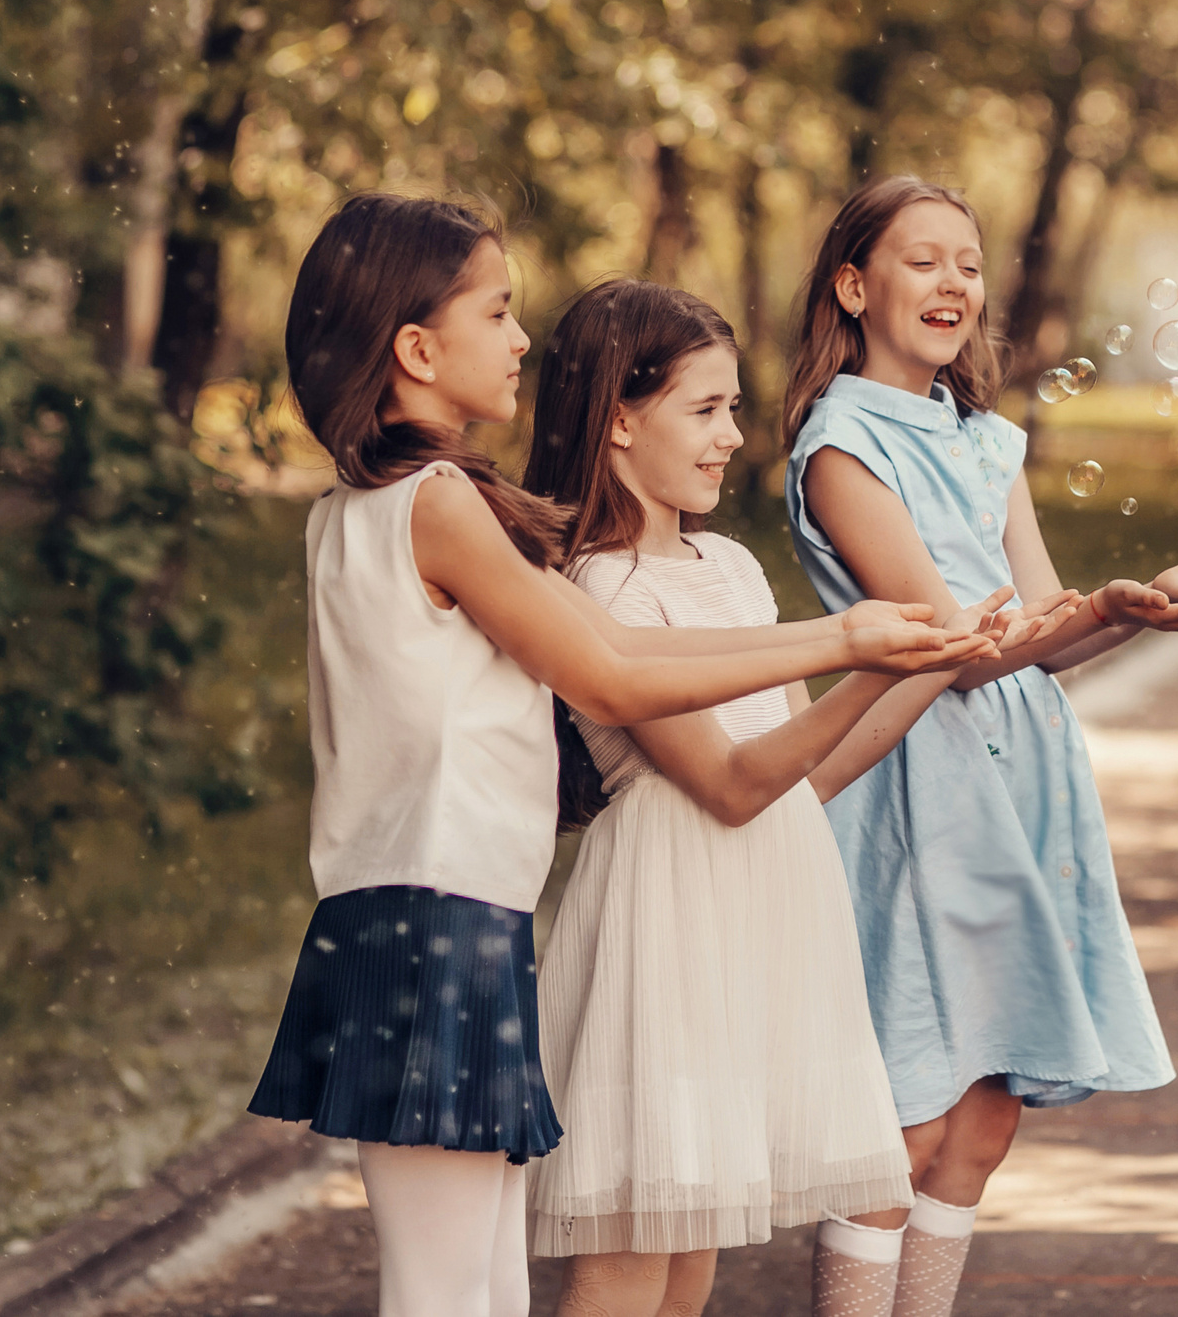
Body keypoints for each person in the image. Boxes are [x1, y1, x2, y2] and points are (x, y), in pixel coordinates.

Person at [247, 195, 999, 1317]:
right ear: (413, 346)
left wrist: (867, 644)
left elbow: (634, 645)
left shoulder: (381, 504)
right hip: (434, 921)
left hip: (433, 915)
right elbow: (611, 677)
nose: (517, 339)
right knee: (453, 1292)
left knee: (476, 1286)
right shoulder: (439, 502)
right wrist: (843, 635)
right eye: (495, 312)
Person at [518, 280, 1076, 1317]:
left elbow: (801, 772)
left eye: (734, 407)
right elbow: (731, 783)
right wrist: (871, 654)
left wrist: (935, 658)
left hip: (754, 909)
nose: (732, 435)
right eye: (705, 409)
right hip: (669, 920)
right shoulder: (598, 588)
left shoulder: (724, 565)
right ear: (618, 417)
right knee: (637, 1253)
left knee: (692, 1260)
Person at [782, 175, 1178, 1316]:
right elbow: (949, 650)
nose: (953, 281)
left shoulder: (986, 439)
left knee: (986, 1112)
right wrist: (1111, 602)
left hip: (1023, 778)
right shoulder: (841, 445)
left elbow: (1044, 634)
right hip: (916, 777)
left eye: (967, 260)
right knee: (902, 1116)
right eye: (922, 260)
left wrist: (1136, 603)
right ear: (854, 286)